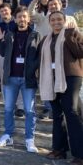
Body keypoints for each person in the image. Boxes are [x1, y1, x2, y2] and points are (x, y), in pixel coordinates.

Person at [0, 6, 40, 153]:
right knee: (8, 109)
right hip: (11, 78)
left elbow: (39, 56)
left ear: (28, 18)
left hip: (28, 78)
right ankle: (8, 135)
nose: (22, 19)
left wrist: (34, 70)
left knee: (29, 110)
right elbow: (2, 53)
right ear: (15, 19)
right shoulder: (9, 35)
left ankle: (29, 139)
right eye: (19, 16)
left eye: (24, 16)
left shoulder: (35, 35)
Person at [39, 11, 83, 164]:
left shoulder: (73, 33)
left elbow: (80, 52)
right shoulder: (46, 39)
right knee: (57, 114)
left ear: (64, 20)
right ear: (49, 22)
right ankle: (59, 150)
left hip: (71, 77)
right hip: (51, 79)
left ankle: (80, 154)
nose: (56, 22)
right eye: (53, 20)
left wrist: (70, 35)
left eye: (59, 19)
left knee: (71, 112)